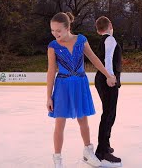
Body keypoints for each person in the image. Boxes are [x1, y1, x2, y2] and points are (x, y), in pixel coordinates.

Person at [46, 12, 117, 168]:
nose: (55, 34)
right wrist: (49, 97)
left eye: (58, 30)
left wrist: (108, 75)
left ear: (68, 27)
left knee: (83, 120)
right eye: (52, 30)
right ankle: (57, 159)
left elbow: (94, 59)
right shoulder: (53, 46)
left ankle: (88, 152)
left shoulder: (81, 40)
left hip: (80, 84)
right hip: (62, 87)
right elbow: (51, 71)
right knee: (60, 123)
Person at [94, 16, 122, 166]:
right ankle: (102, 151)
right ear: (110, 25)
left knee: (109, 113)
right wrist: (110, 77)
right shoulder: (110, 39)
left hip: (101, 79)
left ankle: (105, 144)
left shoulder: (103, 40)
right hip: (107, 80)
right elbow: (108, 59)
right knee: (109, 114)